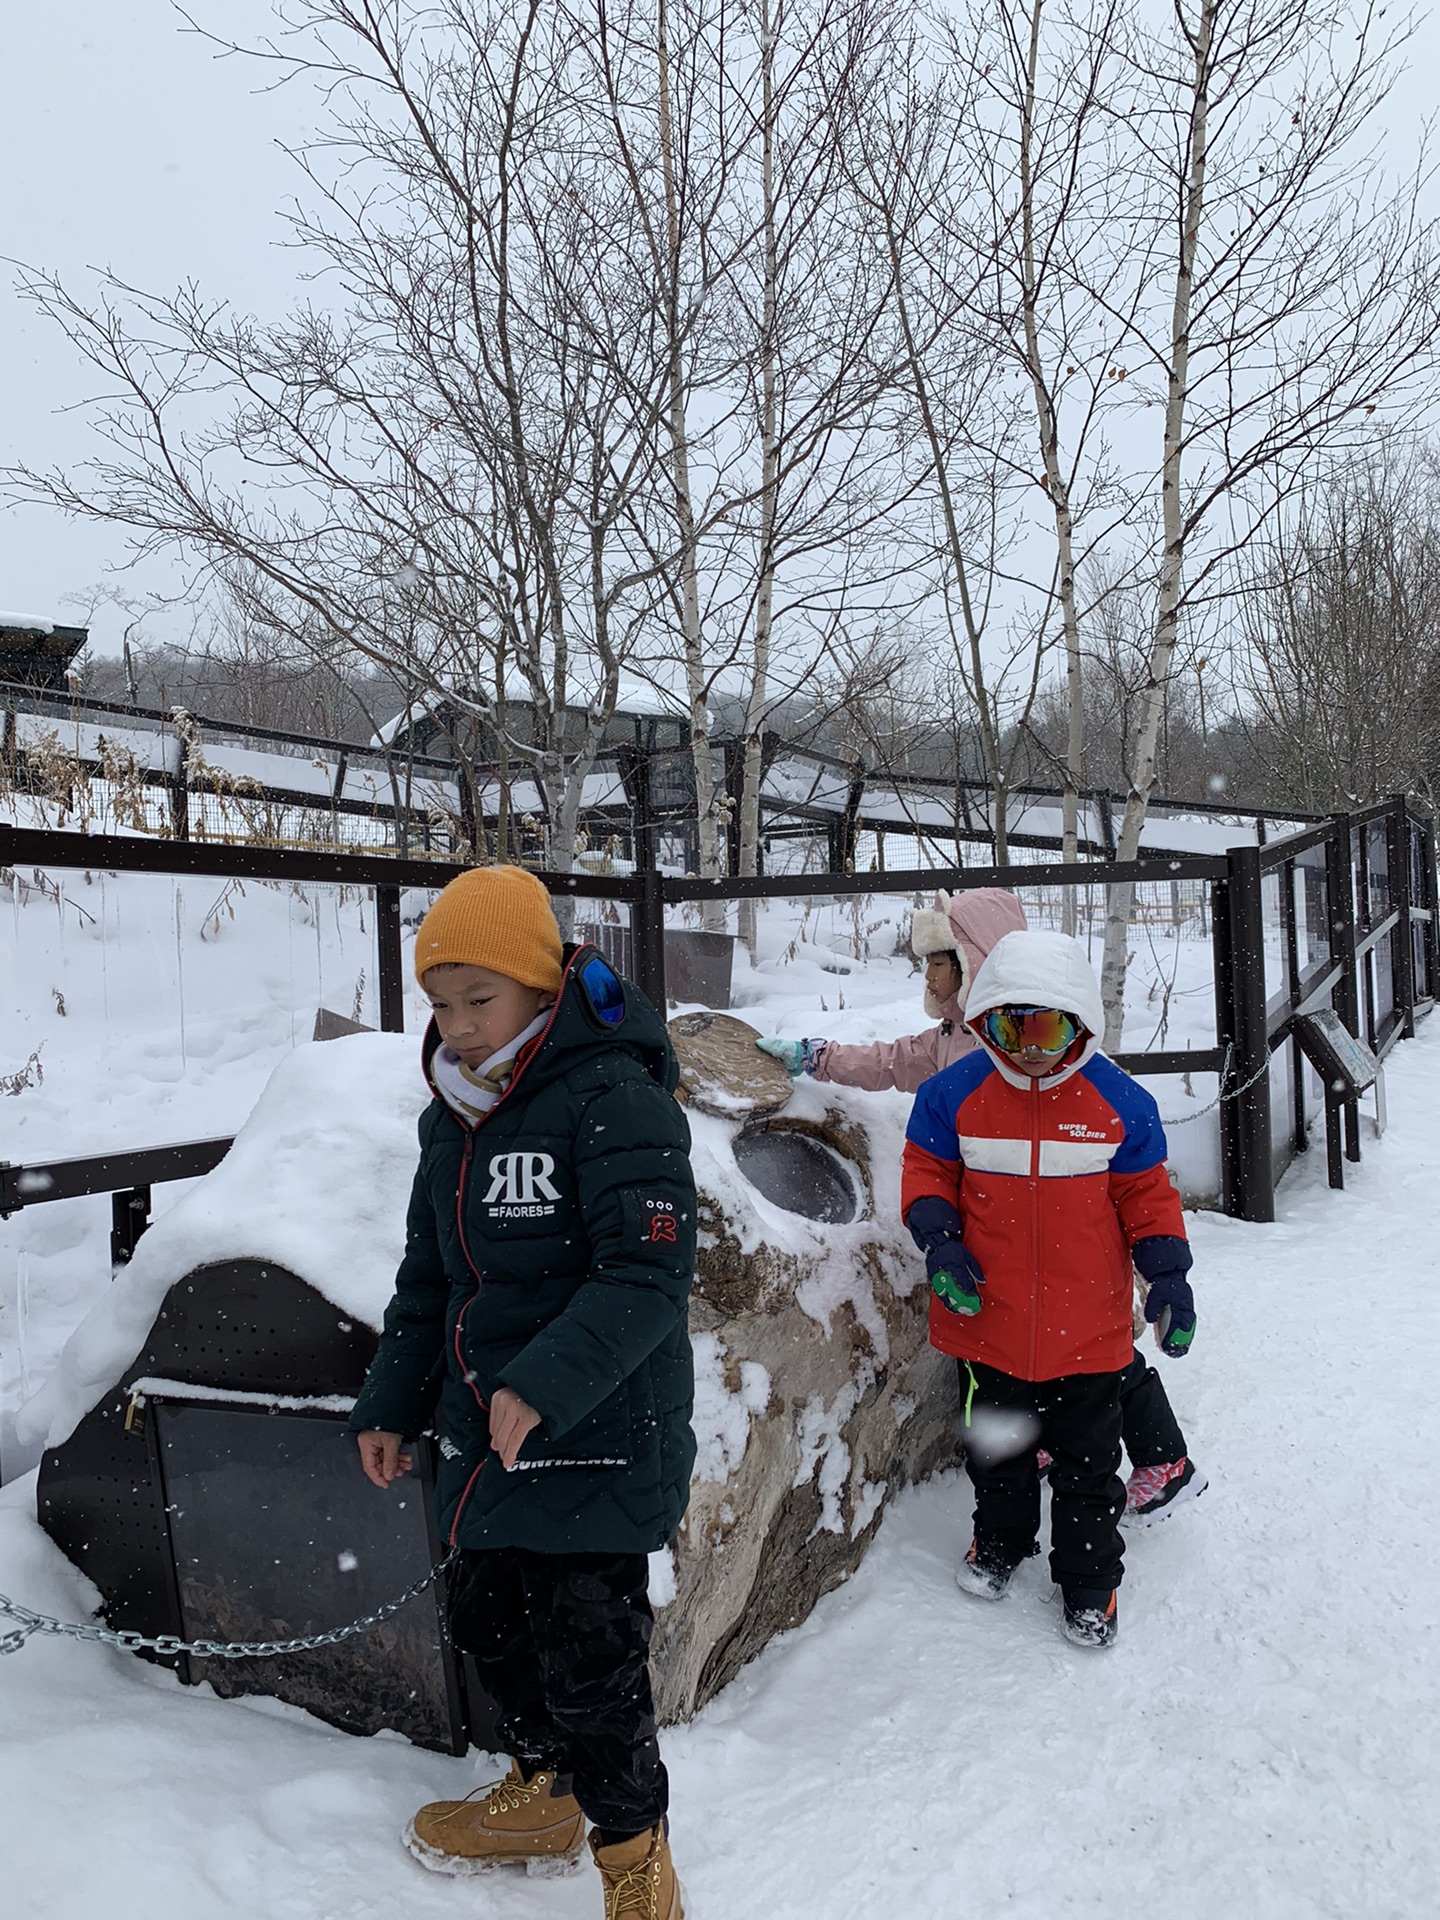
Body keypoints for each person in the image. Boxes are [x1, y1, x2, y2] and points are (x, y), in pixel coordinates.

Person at [349, 865, 694, 1918]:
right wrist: (392, 1401)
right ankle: (545, 1789)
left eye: (478, 999)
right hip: (485, 1441)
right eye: (440, 1003)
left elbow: (646, 1275)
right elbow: (431, 1282)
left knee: (595, 1667)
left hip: (596, 1437)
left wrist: (544, 1383)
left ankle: (636, 1863)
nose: (454, 1026)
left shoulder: (612, 1097)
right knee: (488, 1618)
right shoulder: (451, 1120)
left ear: (541, 988)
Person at [759, 889, 1206, 1525]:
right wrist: (817, 1056)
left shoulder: (1042, 1032)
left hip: (1071, 1253)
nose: (927, 974)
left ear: (970, 959)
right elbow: (891, 1063)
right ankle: (1034, 1472)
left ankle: (1163, 1457)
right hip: (1003, 1257)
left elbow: (1132, 1174)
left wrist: (1160, 1269)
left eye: (937, 960)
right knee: (1031, 1363)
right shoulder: (958, 1039)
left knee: (1100, 1365)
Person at [900, 929, 1199, 1648]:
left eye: (1049, 1025)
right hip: (989, 1323)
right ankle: (999, 1546)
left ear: (1080, 1022)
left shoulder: (1118, 1102)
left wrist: (1168, 1277)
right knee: (999, 1455)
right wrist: (940, 1241)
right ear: (985, 1021)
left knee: (1088, 1467)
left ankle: (1090, 1582)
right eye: (1011, 1024)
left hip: (1086, 1334)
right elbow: (926, 1175)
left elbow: (1148, 1199)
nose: (1030, 1044)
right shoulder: (954, 1094)